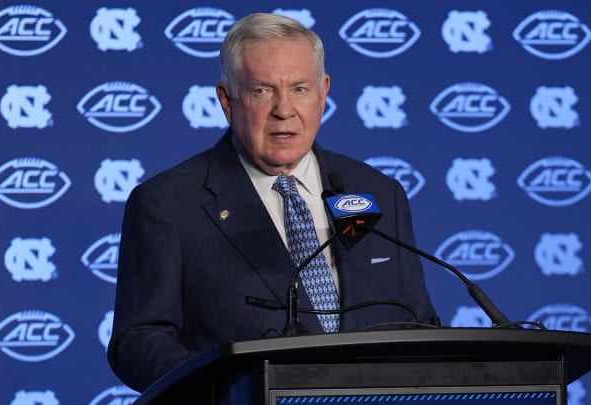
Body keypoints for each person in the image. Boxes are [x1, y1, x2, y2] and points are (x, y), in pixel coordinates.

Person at [107, 12, 436, 393]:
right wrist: (227, 389)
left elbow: (420, 323)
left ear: (324, 92)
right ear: (227, 101)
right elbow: (138, 341)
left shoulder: (378, 192)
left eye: (300, 88)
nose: (284, 109)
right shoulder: (168, 204)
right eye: (262, 90)